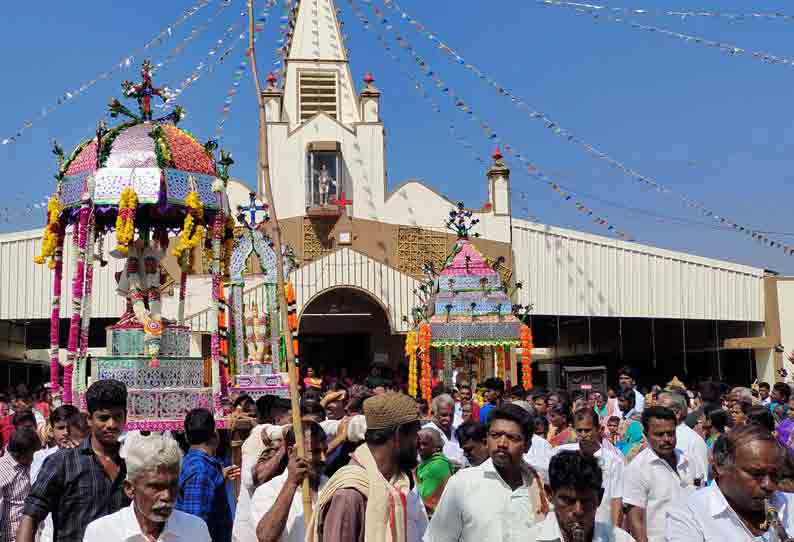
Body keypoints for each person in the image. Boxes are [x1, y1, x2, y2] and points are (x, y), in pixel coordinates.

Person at [18, 379, 129, 542]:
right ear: (90, 419)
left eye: (117, 417)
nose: (111, 424)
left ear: (125, 417)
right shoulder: (62, 462)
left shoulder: (132, 462)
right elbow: (31, 515)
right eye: (104, 418)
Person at [306, 392, 426, 542]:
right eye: (415, 434)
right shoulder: (349, 496)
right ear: (399, 434)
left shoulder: (399, 484)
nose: (419, 442)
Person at [424, 404, 548, 542]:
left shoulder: (539, 485)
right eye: (495, 435)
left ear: (527, 446)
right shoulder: (463, 483)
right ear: (487, 440)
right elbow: (437, 538)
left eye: (512, 438)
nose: (502, 443)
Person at [666, 425, 794, 540]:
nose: (769, 485)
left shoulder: (789, 503)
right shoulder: (688, 514)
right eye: (756, 474)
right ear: (720, 467)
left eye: (775, 474)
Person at [83, 433, 210, 542]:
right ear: (130, 488)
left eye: (172, 485)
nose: (167, 495)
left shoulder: (195, 530)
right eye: (156, 487)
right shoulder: (101, 534)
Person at [623, 406, 702, 542]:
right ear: (645, 434)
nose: (666, 439)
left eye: (670, 433)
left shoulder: (688, 460)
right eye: (659, 434)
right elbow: (636, 519)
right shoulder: (637, 469)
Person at [529, 451, 635, 542]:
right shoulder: (529, 538)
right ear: (550, 495)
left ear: (599, 497)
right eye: (567, 501)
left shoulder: (620, 539)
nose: (578, 511)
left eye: (586, 501)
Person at [252, 421, 327, 542]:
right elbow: (265, 536)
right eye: (315, 452)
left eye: (325, 451)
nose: (324, 458)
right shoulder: (268, 491)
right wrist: (291, 483)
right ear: (292, 452)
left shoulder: (330, 485)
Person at [176, 408, 239, 542]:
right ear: (214, 435)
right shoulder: (200, 472)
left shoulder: (200, 465)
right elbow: (193, 526)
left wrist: (219, 478)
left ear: (187, 437)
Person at [554, 408, 624, 526]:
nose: (583, 435)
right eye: (579, 430)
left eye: (587, 430)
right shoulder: (562, 454)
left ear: (598, 429)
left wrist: (615, 531)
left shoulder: (613, 461)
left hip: (601, 525)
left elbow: (616, 499)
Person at [658, 390, 709, 480]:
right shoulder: (656, 436)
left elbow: (702, 478)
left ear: (677, 413)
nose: (656, 415)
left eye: (662, 410)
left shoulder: (693, 440)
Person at [0, 428, 40, 542]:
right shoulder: (3, 470)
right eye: (32, 455)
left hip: (35, 531)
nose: (35, 459)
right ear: (19, 455)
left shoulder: (32, 464)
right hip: (13, 535)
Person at [416, 429, 454, 514]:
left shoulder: (438, 465)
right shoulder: (426, 463)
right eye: (418, 444)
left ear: (437, 447)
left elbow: (424, 497)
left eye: (424, 444)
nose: (420, 447)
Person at [423, 394, 465, 466]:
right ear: (434, 414)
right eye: (444, 415)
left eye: (451, 415)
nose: (448, 419)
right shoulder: (425, 433)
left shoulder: (456, 431)